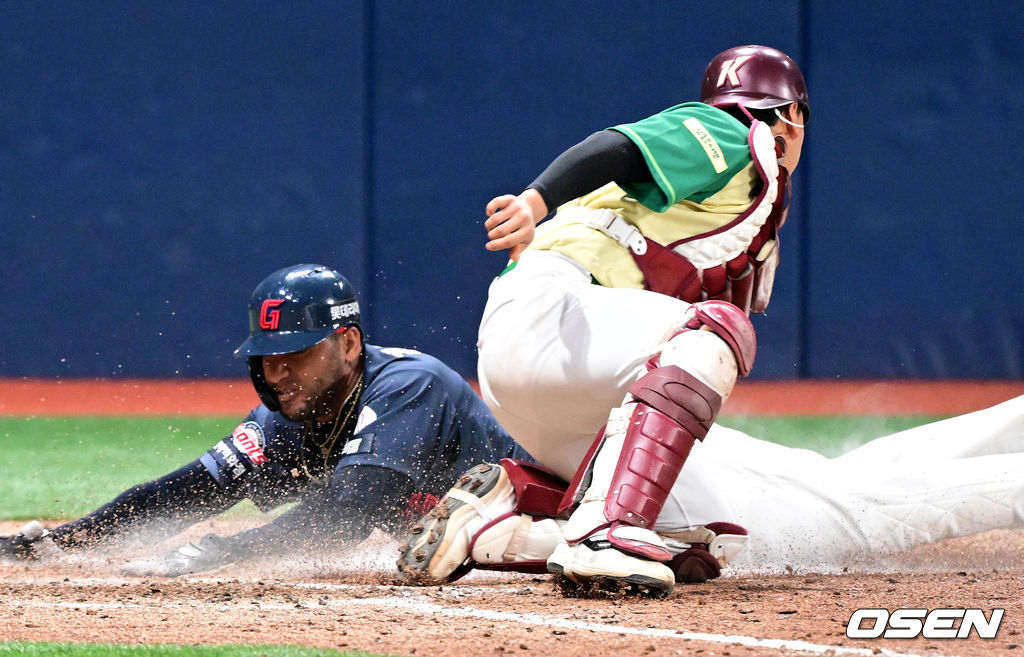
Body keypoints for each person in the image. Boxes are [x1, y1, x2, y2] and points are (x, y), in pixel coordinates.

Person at [399, 44, 812, 597]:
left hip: (564, 382)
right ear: (791, 114)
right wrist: (535, 201)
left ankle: (500, 514)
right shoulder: (737, 134)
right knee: (713, 332)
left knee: (706, 538)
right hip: (553, 316)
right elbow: (617, 147)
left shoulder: (750, 201)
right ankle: (606, 536)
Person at [0, 263, 525, 576]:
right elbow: (189, 491)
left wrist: (222, 551)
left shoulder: (409, 385)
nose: (278, 373)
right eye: (268, 358)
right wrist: (68, 538)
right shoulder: (292, 413)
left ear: (347, 343)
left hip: (544, 527)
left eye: (296, 354)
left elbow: (349, 513)